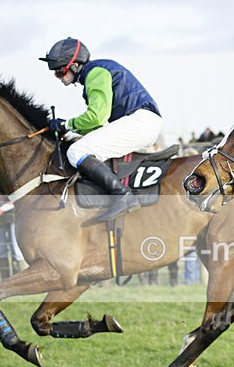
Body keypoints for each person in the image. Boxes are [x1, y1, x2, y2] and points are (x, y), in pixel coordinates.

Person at [39, 37, 164, 226]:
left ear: (75, 65)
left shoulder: (95, 73)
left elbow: (97, 116)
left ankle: (122, 195)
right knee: (81, 146)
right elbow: (97, 126)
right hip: (142, 122)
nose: (58, 77)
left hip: (140, 122)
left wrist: (66, 124)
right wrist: (69, 133)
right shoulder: (94, 73)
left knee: (76, 152)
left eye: (60, 71)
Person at [0, 164, 24, 279]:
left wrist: (6, 198)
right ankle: (5, 280)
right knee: (1, 250)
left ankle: (18, 280)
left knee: (16, 250)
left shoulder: (16, 163)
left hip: (14, 215)